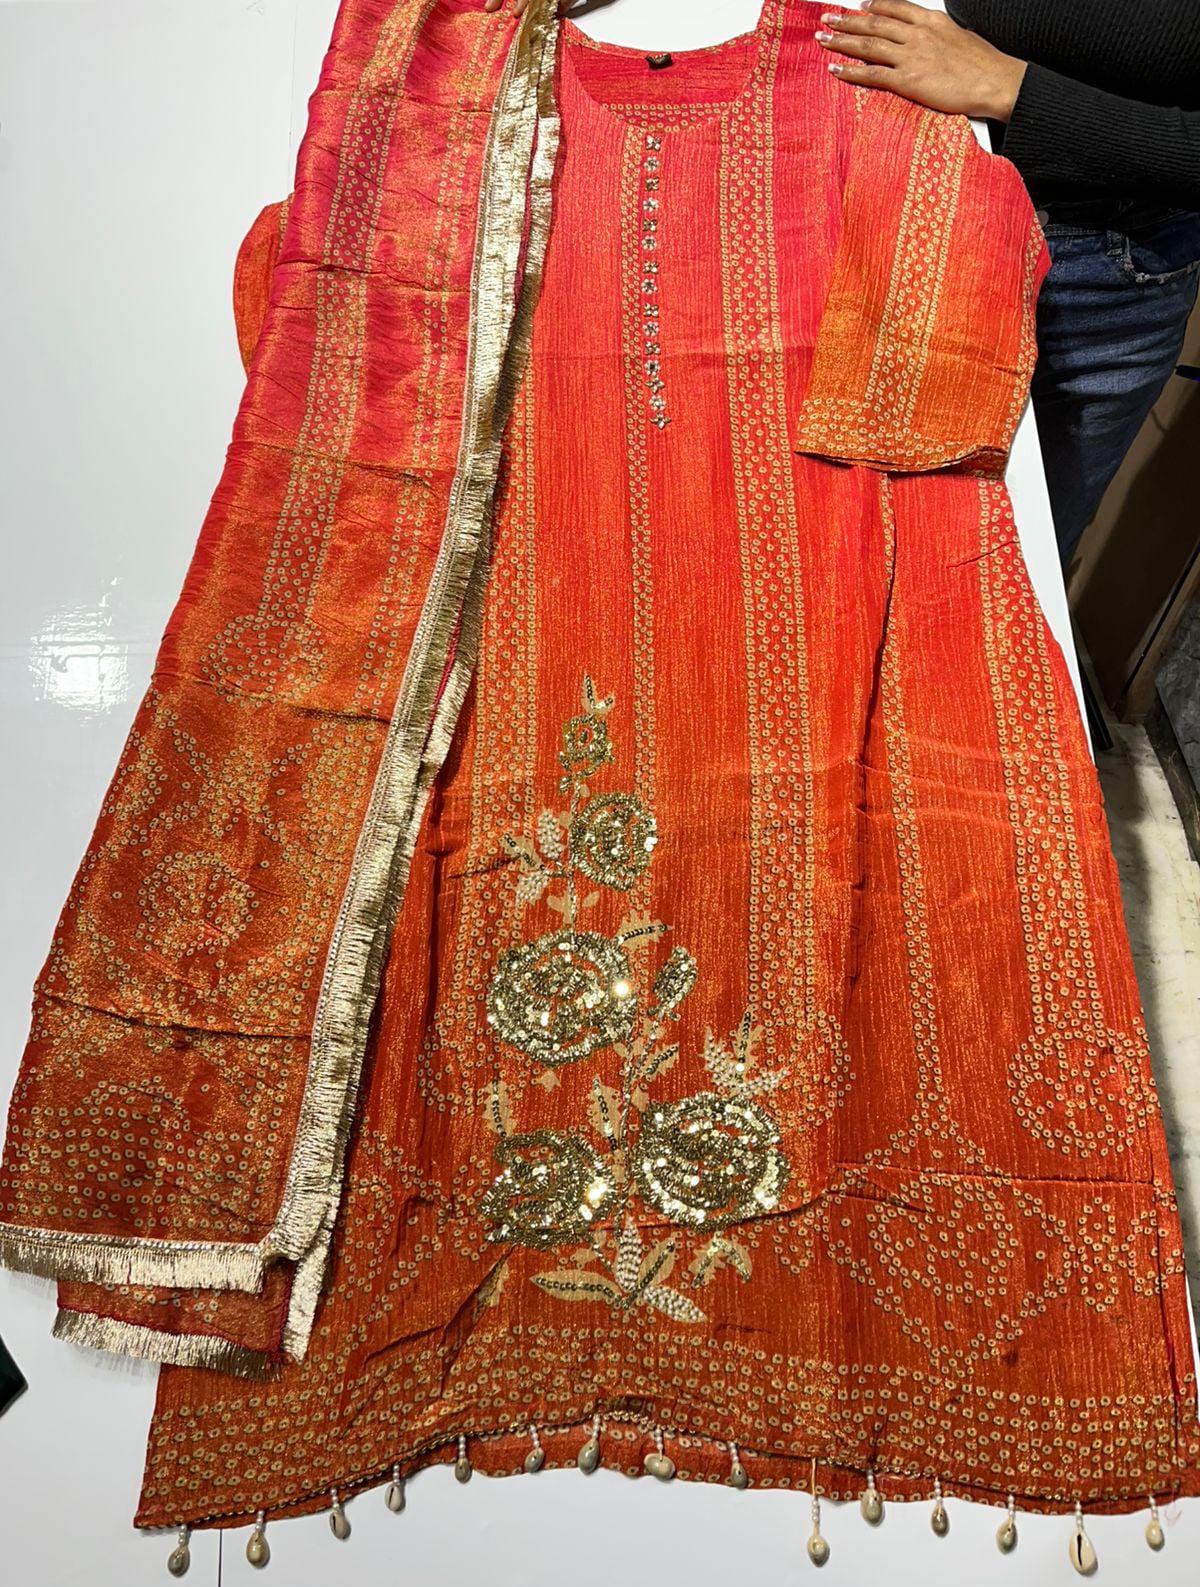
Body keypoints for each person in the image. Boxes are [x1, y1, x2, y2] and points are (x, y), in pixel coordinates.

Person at [813, 0, 1200, 570]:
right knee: (829, 527)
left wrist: (1014, 90)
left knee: (999, 564)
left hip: (1103, 258)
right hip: (898, 167)